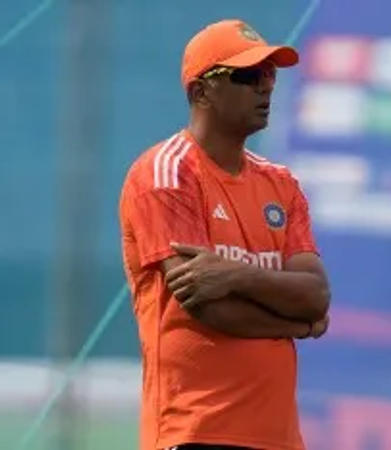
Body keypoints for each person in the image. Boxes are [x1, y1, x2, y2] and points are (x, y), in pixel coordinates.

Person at [119, 19, 330, 450]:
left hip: (279, 438)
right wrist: (300, 326)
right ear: (201, 92)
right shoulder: (166, 172)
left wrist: (236, 276)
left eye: (269, 75)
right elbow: (209, 310)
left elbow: (316, 294)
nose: (266, 87)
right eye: (248, 76)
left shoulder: (281, 184)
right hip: (195, 430)